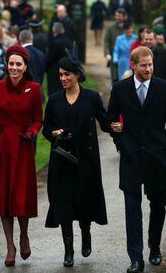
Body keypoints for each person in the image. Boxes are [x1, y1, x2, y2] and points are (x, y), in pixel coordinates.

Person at [108, 46, 166, 273]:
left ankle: (155, 246)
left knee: (159, 205)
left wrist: (165, 146)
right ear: (133, 65)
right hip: (130, 158)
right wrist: (120, 143)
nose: (148, 69)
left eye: (150, 65)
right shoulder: (120, 89)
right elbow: (111, 121)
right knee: (132, 209)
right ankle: (136, 258)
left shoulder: (164, 88)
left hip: (156, 158)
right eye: (144, 65)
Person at [42, 51, 113, 267]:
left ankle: (86, 232)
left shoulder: (91, 97)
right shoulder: (54, 100)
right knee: (64, 205)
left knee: (83, 201)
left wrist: (117, 127)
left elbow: (104, 121)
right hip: (62, 159)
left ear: (76, 75)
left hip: (86, 159)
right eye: (60, 75)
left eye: (67, 75)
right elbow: (46, 128)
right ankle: (68, 250)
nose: (62, 78)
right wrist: (54, 133)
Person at [0, 45, 43, 267]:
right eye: (11, 63)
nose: (14, 67)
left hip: (23, 147)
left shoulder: (34, 89)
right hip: (3, 148)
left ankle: (24, 235)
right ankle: (10, 246)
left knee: (20, 196)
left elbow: (38, 119)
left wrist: (32, 132)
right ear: (7, 65)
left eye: (18, 64)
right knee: (4, 198)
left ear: (25, 67)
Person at [46, 22, 72, 96]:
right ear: (63, 30)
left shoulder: (55, 43)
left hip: (55, 74)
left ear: (54, 31)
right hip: (68, 73)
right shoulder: (69, 42)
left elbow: (48, 59)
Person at [104, 8, 127, 84]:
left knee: (125, 78)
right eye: (116, 16)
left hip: (126, 58)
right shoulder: (111, 28)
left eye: (119, 16)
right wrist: (107, 53)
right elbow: (106, 42)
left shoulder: (127, 28)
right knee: (114, 79)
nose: (117, 18)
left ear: (124, 17)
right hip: (114, 58)